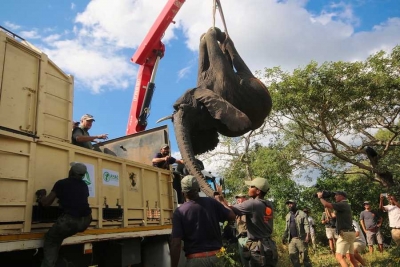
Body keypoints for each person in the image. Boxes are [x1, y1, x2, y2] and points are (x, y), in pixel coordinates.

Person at [170, 175, 235, 267]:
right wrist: (220, 201)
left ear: (183, 192)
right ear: (198, 189)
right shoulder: (212, 202)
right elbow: (232, 216)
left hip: (195, 260)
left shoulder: (180, 211)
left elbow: (176, 243)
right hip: (218, 257)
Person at [36, 162, 92, 267]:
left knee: (51, 240)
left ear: (71, 172)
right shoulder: (84, 185)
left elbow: (46, 203)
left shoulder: (61, 183)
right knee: (59, 236)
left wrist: (42, 195)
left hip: (71, 220)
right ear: (83, 175)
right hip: (85, 220)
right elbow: (78, 200)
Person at [221, 177, 278, 267]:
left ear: (258, 191)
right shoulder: (268, 204)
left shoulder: (252, 204)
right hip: (269, 246)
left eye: (251, 186)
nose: (249, 188)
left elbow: (228, 210)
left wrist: (220, 198)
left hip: (258, 249)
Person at [317, 191, 359, 267]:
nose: (335, 197)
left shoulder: (342, 204)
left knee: (339, 256)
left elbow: (326, 204)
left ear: (342, 196)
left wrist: (320, 197)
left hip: (345, 234)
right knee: (350, 257)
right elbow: (332, 216)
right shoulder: (345, 205)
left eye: (336, 195)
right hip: (350, 233)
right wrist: (327, 208)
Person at [282, 200, 312, 267]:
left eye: (291, 203)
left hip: (301, 239)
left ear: (295, 204)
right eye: (288, 204)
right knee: (293, 257)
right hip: (291, 240)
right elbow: (286, 228)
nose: (289, 205)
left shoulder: (302, 214)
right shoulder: (288, 215)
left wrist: (307, 235)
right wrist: (284, 236)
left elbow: (306, 225)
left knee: (305, 257)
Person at [235, 193, 249, 267]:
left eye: (240, 198)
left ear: (244, 198)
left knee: (250, 259)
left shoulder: (248, 209)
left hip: (248, 238)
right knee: (243, 261)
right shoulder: (236, 211)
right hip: (240, 238)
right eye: (237, 198)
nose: (238, 199)